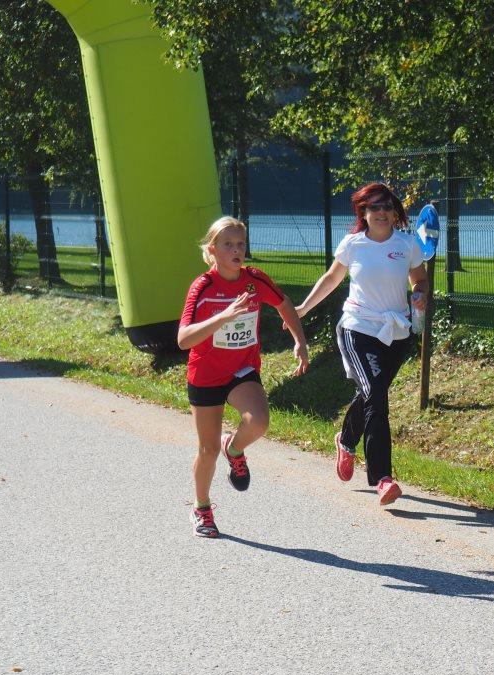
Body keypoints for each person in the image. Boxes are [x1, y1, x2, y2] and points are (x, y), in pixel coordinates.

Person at [293, 183, 427, 505]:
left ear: (395, 212)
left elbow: (420, 279)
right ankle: (383, 478)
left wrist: (420, 294)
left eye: (387, 206)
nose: (381, 212)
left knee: (370, 393)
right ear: (363, 213)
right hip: (358, 328)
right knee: (377, 396)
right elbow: (331, 278)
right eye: (374, 207)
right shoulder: (353, 245)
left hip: (396, 332)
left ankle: (346, 439)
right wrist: (303, 309)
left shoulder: (407, 244)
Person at [178, 216, 309, 538]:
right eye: (228, 245)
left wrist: (300, 342)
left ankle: (234, 449)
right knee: (207, 450)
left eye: (240, 244)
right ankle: (202, 508)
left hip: (242, 368)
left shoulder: (254, 280)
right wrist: (223, 316)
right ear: (212, 250)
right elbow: (183, 339)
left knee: (259, 422)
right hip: (206, 373)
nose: (236, 250)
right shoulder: (203, 287)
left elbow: (284, 304)